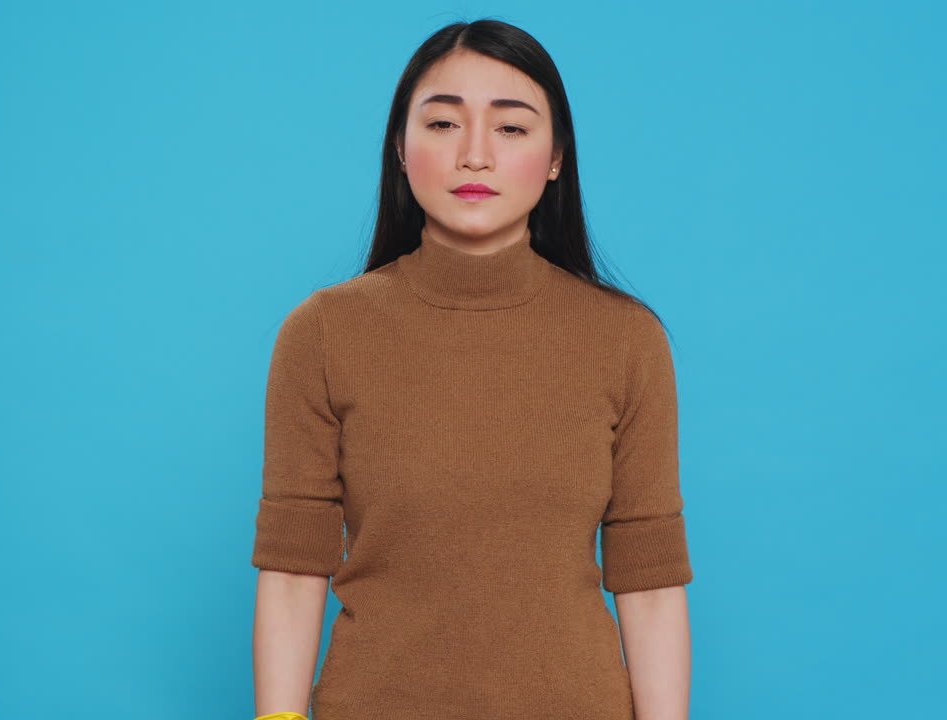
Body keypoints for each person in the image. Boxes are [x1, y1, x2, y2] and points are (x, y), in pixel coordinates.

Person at [250, 19, 694, 720]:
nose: (475, 156)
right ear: (400, 148)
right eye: (443, 124)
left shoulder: (627, 339)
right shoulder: (323, 334)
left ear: (555, 158)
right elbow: (292, 567)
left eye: (512, 128)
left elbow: (650, 579)